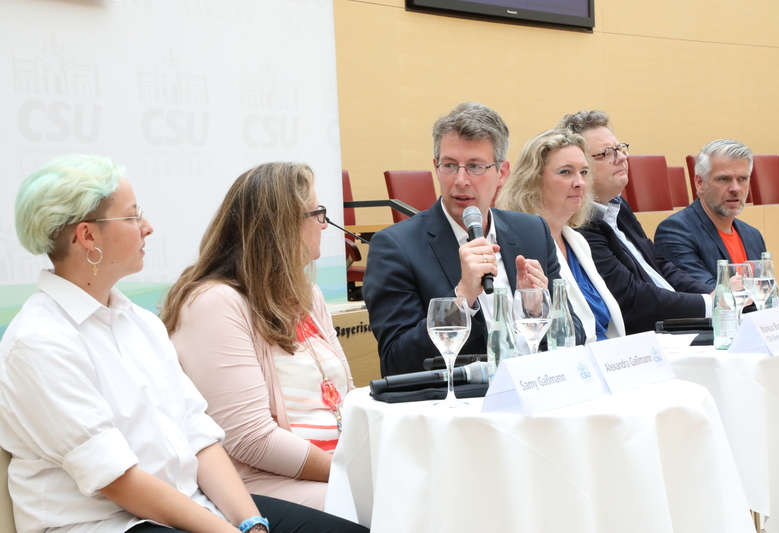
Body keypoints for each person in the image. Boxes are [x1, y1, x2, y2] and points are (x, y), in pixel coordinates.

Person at [0, 155, 366, 533]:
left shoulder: (139, 323)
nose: (147, 227)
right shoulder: (39, 342)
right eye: (131, 217)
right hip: (109, 524)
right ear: (87, 236)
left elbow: (199, 435)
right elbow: (117, 479)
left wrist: (252, 523)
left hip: (191, 504)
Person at [161, 162, 352, 511]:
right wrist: (349, 472)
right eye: (318, 213)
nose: (324, 224)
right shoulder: (213, 303)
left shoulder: (308, 294)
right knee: (401, 505)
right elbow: (252, 440)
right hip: (267, 486)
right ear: (284, 226)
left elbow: (346, 396)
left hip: (333, 471)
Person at [363, 102, 585, 376]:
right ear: (436, 167)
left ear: (502, 172)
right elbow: (396, 360)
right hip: (460, 406)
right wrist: (462, 298)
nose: (460, 180)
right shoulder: (396, 247)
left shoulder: (532, 231)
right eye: (449, 165)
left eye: (475, 167)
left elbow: (578, 337)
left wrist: (537, 309)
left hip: (537, 394)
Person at [558, 111, 713, 335]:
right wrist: (707, 304)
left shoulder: (618, 206)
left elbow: (658, 264)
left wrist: (715, 295)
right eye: (606, 154)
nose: (621, 157)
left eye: (620, 148)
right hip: (648, 335)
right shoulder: (579, 223)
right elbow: (630, 298)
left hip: (678, 323)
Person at [496, 129, 625, 342]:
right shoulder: (521, 247)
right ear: (533, 180)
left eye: (584, 172)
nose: (580, 182)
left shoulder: (578, 241)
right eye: (566, 172)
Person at [655, 139, 779, 292]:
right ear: (699, 183)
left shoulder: (752, 234)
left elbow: (762, 294)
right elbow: (711, 293)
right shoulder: (675, 231)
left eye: (742, 179)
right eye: (723, 179)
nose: (735, 188)